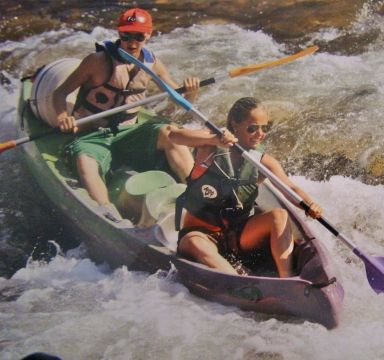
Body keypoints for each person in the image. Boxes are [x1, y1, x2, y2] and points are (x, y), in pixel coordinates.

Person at [53, 8, 199, 216]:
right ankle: (107, 214)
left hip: (129, 134)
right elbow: (60, 93)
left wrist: (192, 92)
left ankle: (197, 194)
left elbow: (181, 102)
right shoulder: (96, 61)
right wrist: (62, 117)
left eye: (139, 36)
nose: (132, 43)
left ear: (149, 35)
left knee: (171, 134)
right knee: (85, 162)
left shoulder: (152, 64)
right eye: (126, 36)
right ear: (118, 33)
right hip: (92, 136)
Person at [168, 97, 323, 277]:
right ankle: (239, 282)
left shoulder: (263, 162)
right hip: (201, 233)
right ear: (235, 125)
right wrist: (214, 138)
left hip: (239, 236)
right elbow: (174, 135)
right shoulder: (208, 147)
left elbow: (290, 188)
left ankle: (287, 279)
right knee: (194, 244)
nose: (260, 134)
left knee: (280, 215)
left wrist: (310, 204)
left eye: (265, 128)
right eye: (252, 128)